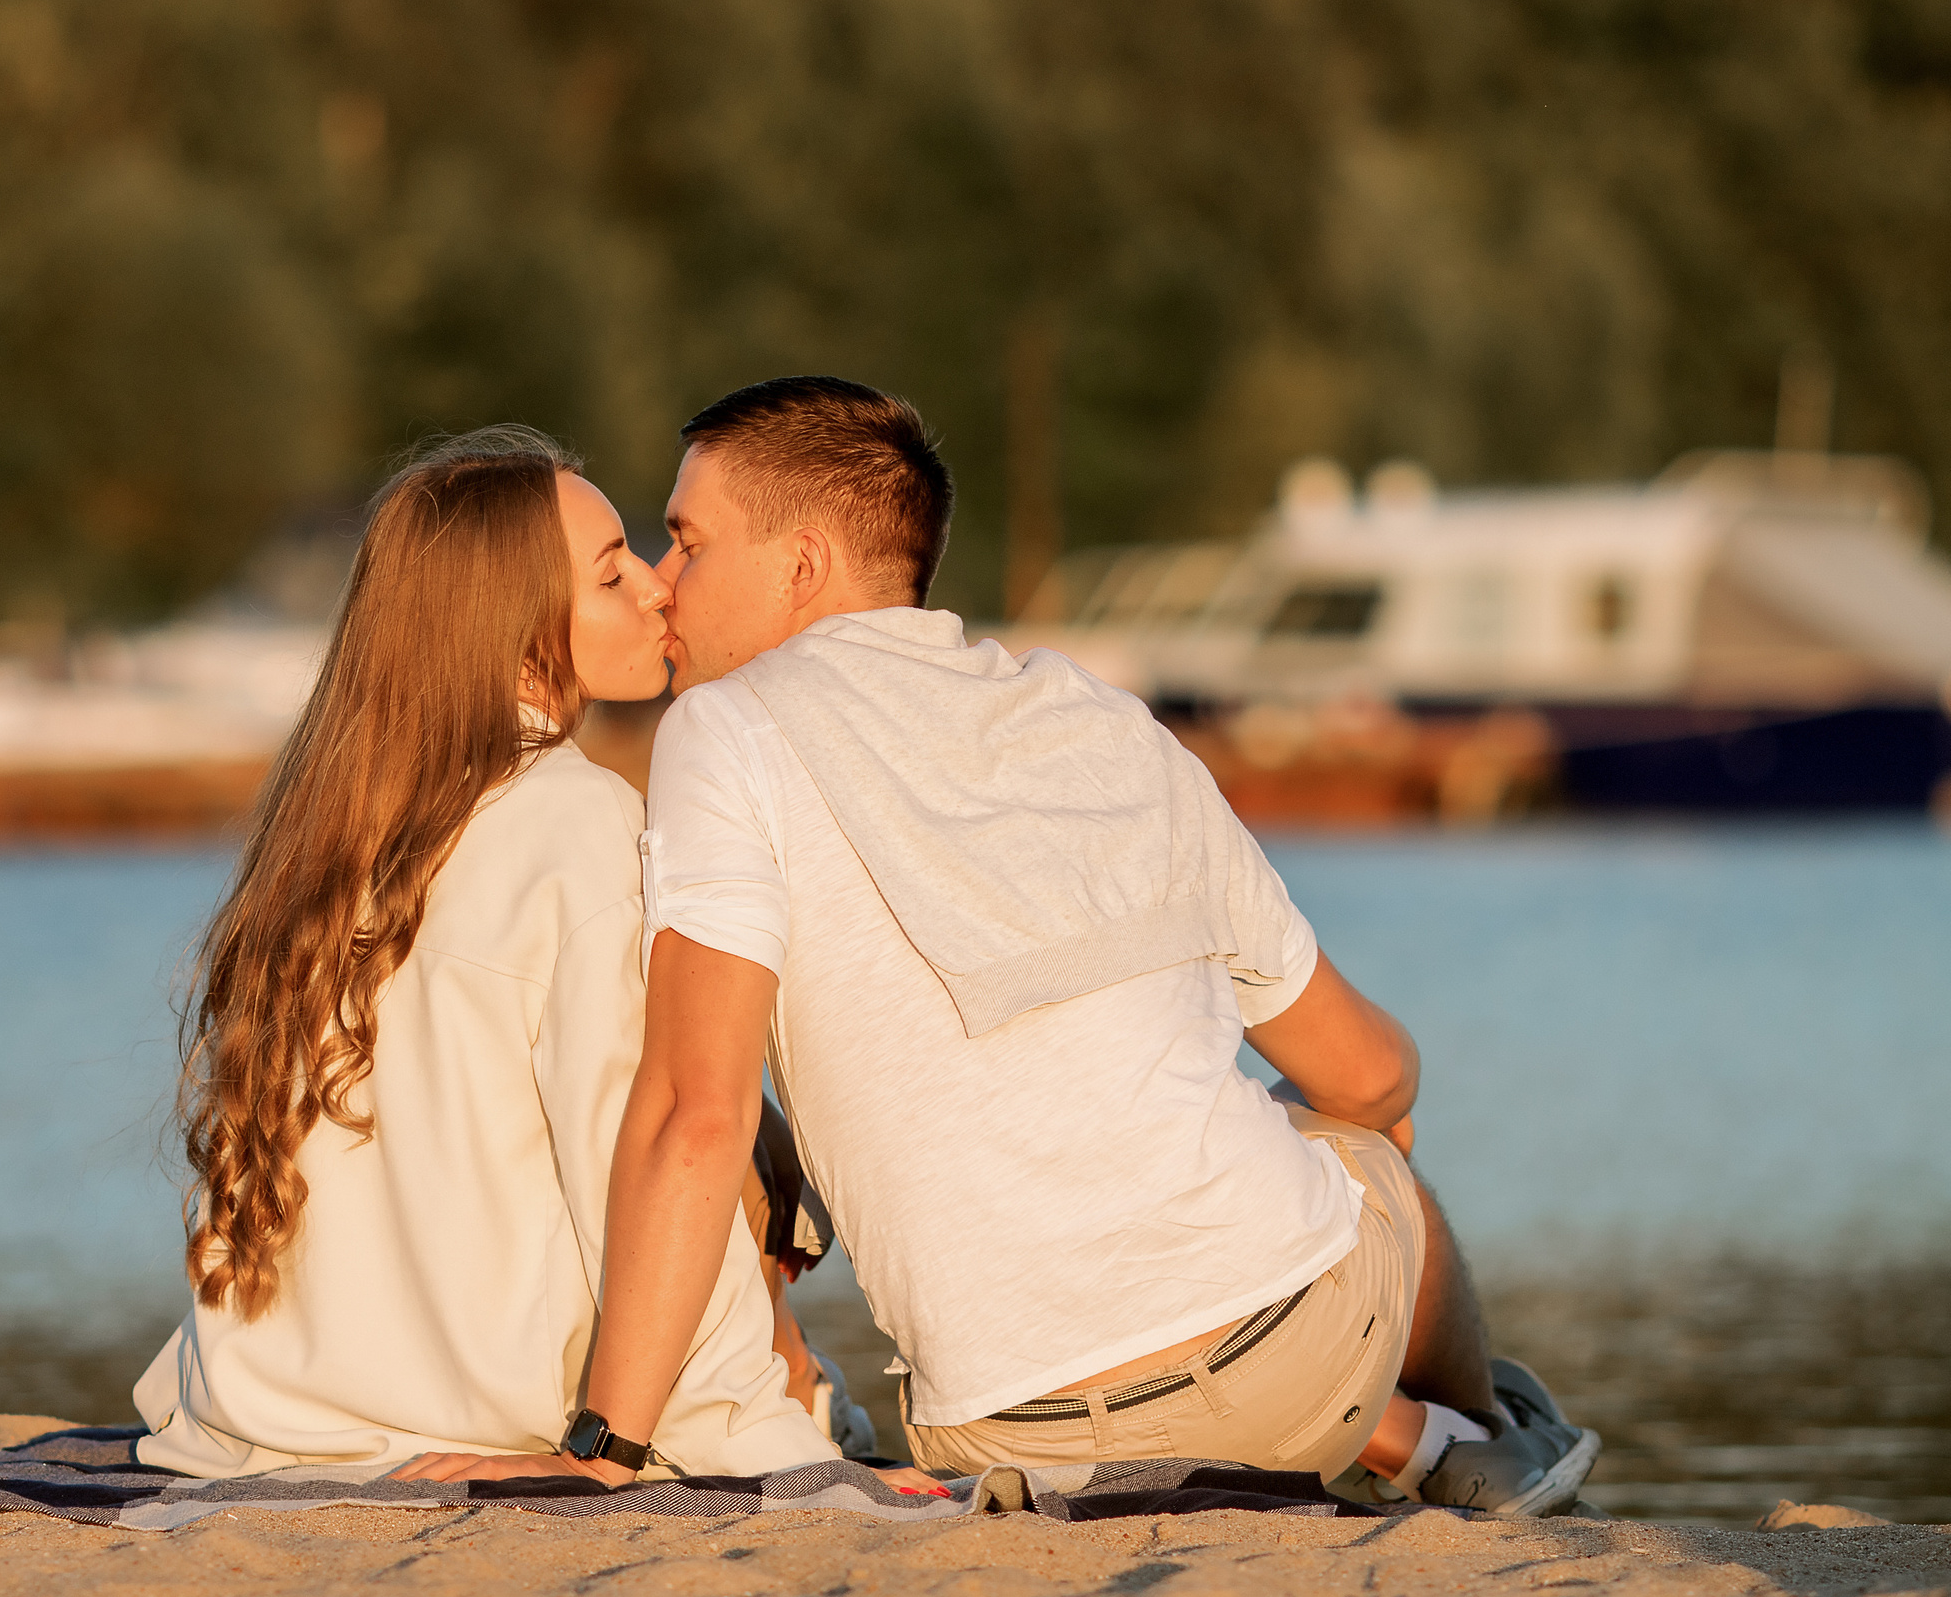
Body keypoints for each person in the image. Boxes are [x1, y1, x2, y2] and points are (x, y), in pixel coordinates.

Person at [401, 378, 1600, 1514]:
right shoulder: (1098, 720)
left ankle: (1428, 1435)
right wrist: (1356, 1127)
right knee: (1360, 1144)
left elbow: (693, 1112)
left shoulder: (728, 730)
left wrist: (603, 1451)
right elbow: (1374, 1072)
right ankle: (1478, 1438)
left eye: (688, 541)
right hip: (1291, 1372)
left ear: (800, 565)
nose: (665, 582)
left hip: (1010, 1430)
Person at [129, 425, 836, 1481]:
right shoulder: (579, 824)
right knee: (714, 1101)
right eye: (611, 574)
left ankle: (805, 1380)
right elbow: (634, 1152)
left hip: (270, 1415)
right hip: (488, 1415)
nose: (656, 590)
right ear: (512, 635)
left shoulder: (329, 834)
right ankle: (802, 1384)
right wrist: (723, 1430)